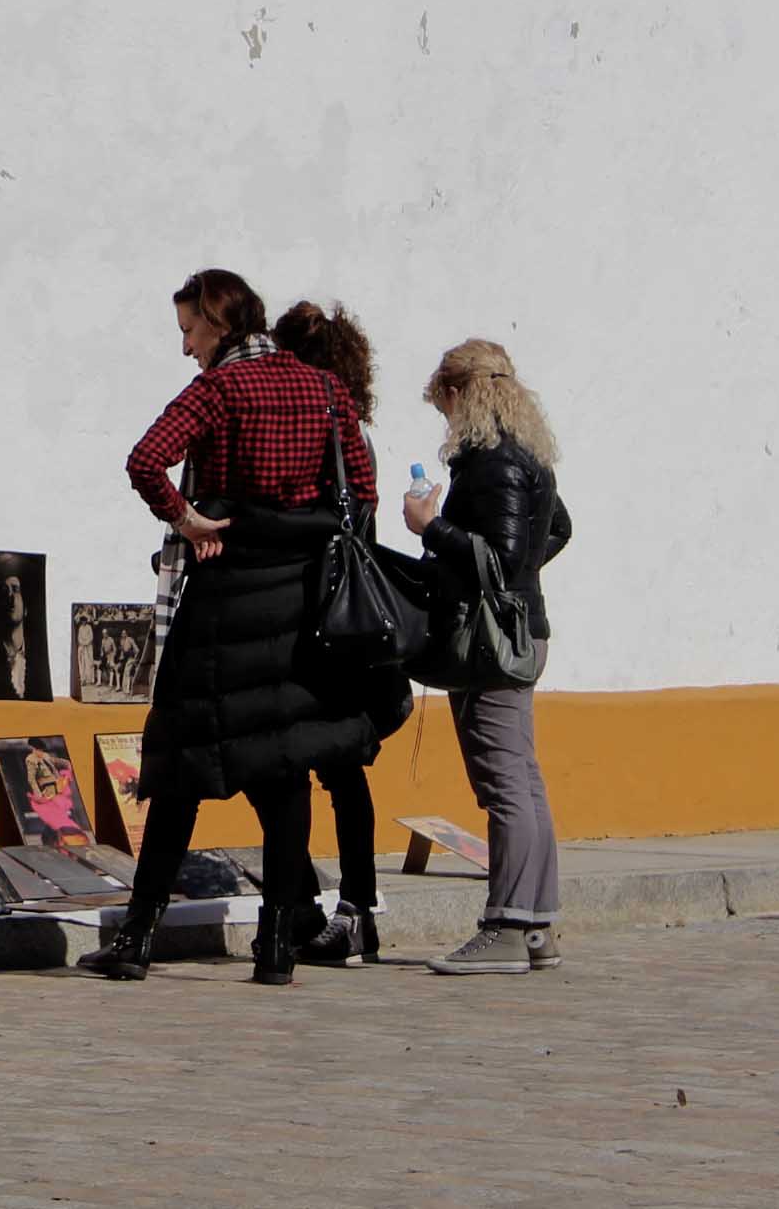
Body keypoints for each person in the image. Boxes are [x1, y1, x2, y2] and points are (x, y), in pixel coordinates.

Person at [81, 267, 377, 987]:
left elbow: (146, 460)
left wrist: (186, 518)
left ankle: (138, 937)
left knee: (180, 763)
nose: (186, 347)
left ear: (219, 321)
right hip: (302, 602)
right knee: (282, 769)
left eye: (190, 329)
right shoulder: (323, 388)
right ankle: (276, 945)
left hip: (224, 596)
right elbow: (362, 490)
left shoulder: (220, 389)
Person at [405, 338, 573, 974]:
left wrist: (430, 529)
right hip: (523, 629)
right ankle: (537, 926)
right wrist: (524, 577)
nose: (446, 421)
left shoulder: (492, 461)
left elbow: (499, 558)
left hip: (495, 642)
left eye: (444, 405)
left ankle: (506, 926)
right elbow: (555, 529)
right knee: (523, 777)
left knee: (504, 782)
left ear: (460, 394)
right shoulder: (529, 454)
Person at [272, 294, 413, 967]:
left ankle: (328, 908)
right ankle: (349, 910)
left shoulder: (329, 435)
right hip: (347, 624)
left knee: (298, 762)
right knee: (333, 768)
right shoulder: (355, 434)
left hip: (318, 619)